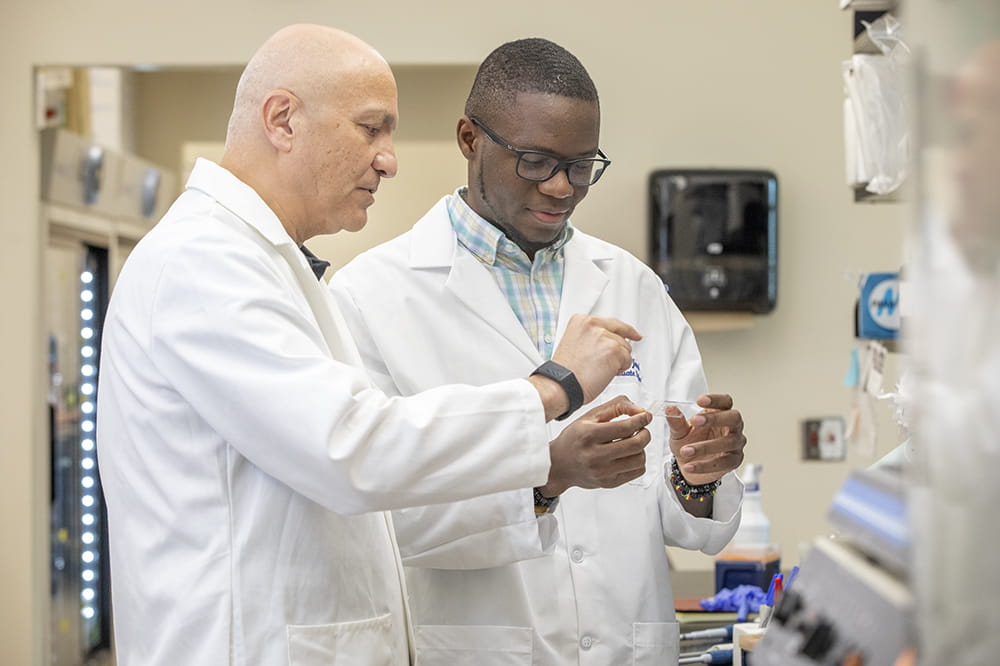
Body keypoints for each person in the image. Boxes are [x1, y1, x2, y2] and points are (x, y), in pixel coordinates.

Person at [96, 25, 651, 666]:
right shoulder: (201, 262)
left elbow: (378, 514)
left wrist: (546, 476)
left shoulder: (265, 264)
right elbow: (352, 447)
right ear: (282, 120)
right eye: (371, 128)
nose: (390, 158)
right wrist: (555, 386)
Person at [329, 38, 747, 665]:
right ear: (471, 139)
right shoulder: (369, 297)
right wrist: (545, 478)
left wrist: (698, 473)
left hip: (628, 645)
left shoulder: (632, 285)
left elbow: (684, 517)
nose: (561, 187)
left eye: (582, 166)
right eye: (535, 161)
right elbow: (375, 526)